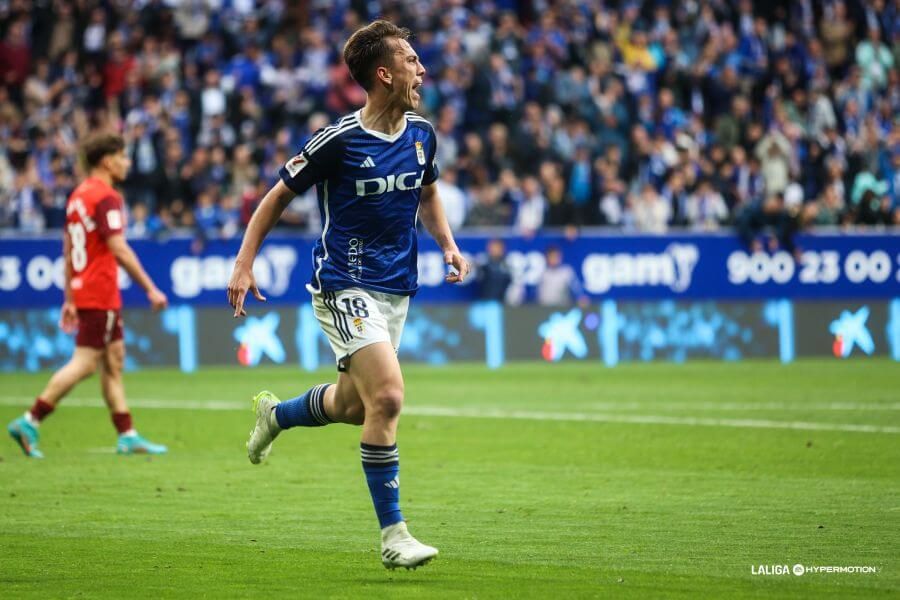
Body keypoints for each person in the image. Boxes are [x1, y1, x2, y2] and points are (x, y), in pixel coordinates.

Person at [226, 20, 469, 570]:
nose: (421, 69)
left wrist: (448, 245)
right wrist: (244, 263)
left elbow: (427, 192)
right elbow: (275, 198)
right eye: (411, 60)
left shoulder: (422, 134)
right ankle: (394, 535)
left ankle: (276, 416)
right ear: (384, 73)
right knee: (387, 398)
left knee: (352, 404)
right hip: (344, 282)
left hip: (396, 287)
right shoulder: (338, 141)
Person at [7, 133, 169, 458]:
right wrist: (150, 288)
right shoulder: (106, 197)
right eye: (123, 157)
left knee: (114, 359)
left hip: (86, 289)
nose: (127, 162)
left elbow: (69, 249)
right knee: (84, 364)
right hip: (100, 292)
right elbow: (118, 248)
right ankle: (31, 420)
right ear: (107, 161)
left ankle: (127, 434)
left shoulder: (78, 196)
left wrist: (70, 296)